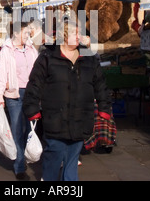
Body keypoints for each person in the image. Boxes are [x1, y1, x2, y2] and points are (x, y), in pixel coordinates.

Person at [23, 19, 112, 181]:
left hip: (81, 118)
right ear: (64, 36)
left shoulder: (89, 58)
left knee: (72, 161)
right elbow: (34, 85)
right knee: (53, 157)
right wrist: (32, 109)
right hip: (55, 118)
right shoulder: (47, 58)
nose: (79, 37)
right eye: (74, 33)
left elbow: (101, 85)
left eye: (80, 33)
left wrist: (104, 108)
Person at [0, 21, 38, 180]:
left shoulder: (32, 49)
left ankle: (27, 155)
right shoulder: (7, 50)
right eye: (26, 33)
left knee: (30, 128)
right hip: (14, 95)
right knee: (17, 130)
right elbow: (1, 74)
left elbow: (39, 71)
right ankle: (19, 166)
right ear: (17, 33)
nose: (28, 35)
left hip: (31, 93)